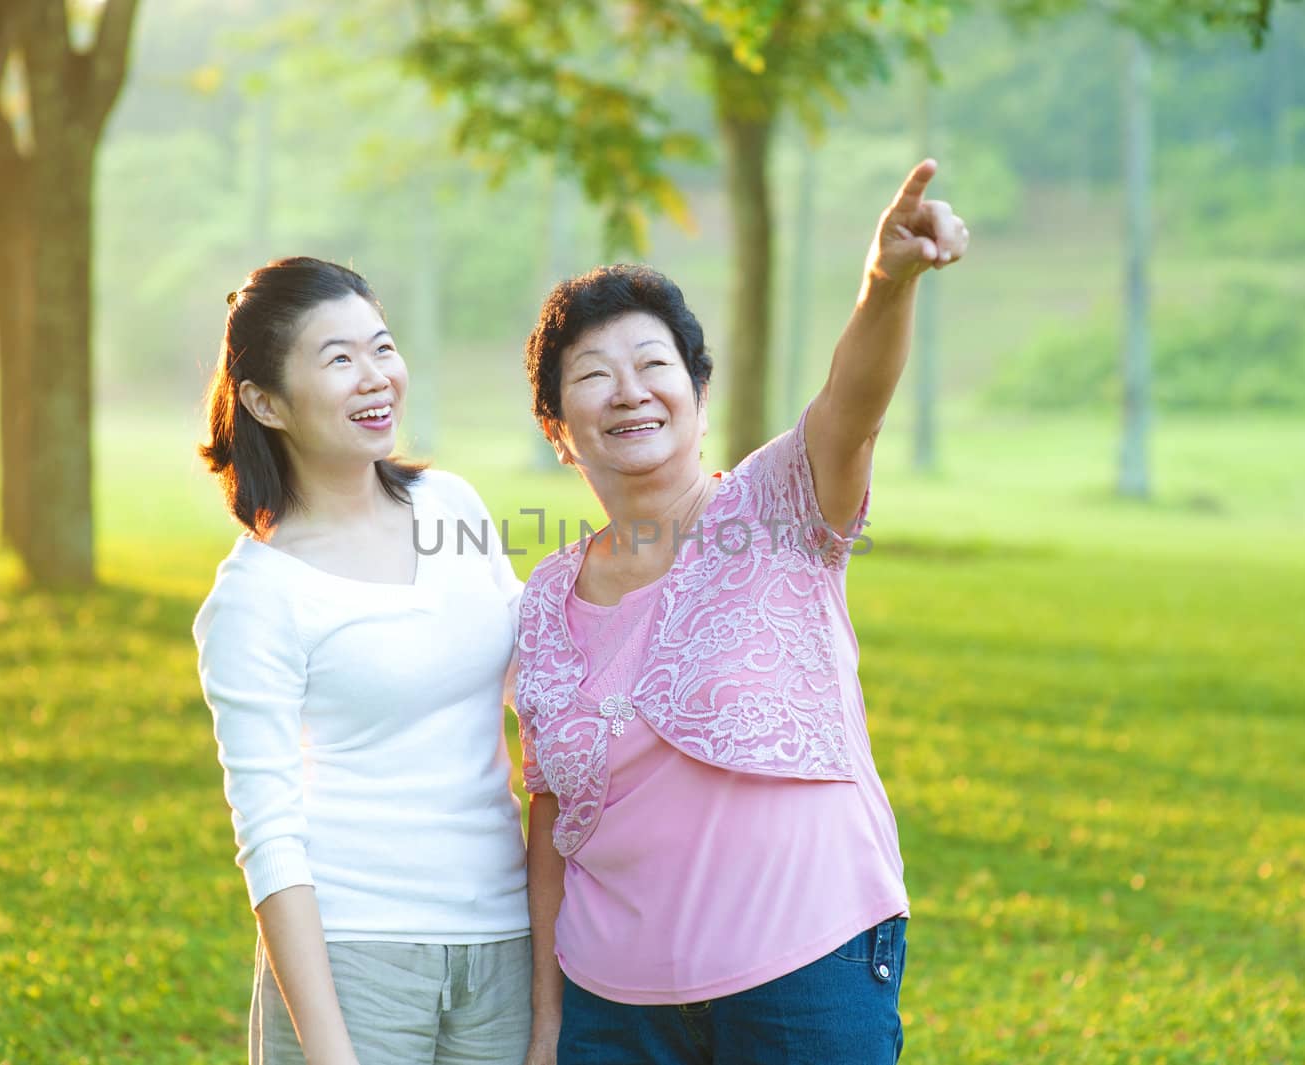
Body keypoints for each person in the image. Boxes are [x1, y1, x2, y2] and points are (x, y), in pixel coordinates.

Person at [512, 159, 968, 1064]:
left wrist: (886, 283)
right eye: (593, 376)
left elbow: (853, 407)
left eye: (654, 364)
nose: (630, 390)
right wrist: (547, 1017)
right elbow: (551, 819)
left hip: (805, 977)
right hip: (613, 1010)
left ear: (698, 394)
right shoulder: (542, 601)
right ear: (559, 430)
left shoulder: (777, 507)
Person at [192, 257, 532, 1065]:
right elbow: (270, 841)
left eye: (381, 347)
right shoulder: (257, 594)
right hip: (355, 956)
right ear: (265, 400)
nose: (374, 376)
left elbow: (545, 682)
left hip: (503, 943)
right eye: (338, 358)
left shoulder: (453, 506)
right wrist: (331, 1051)